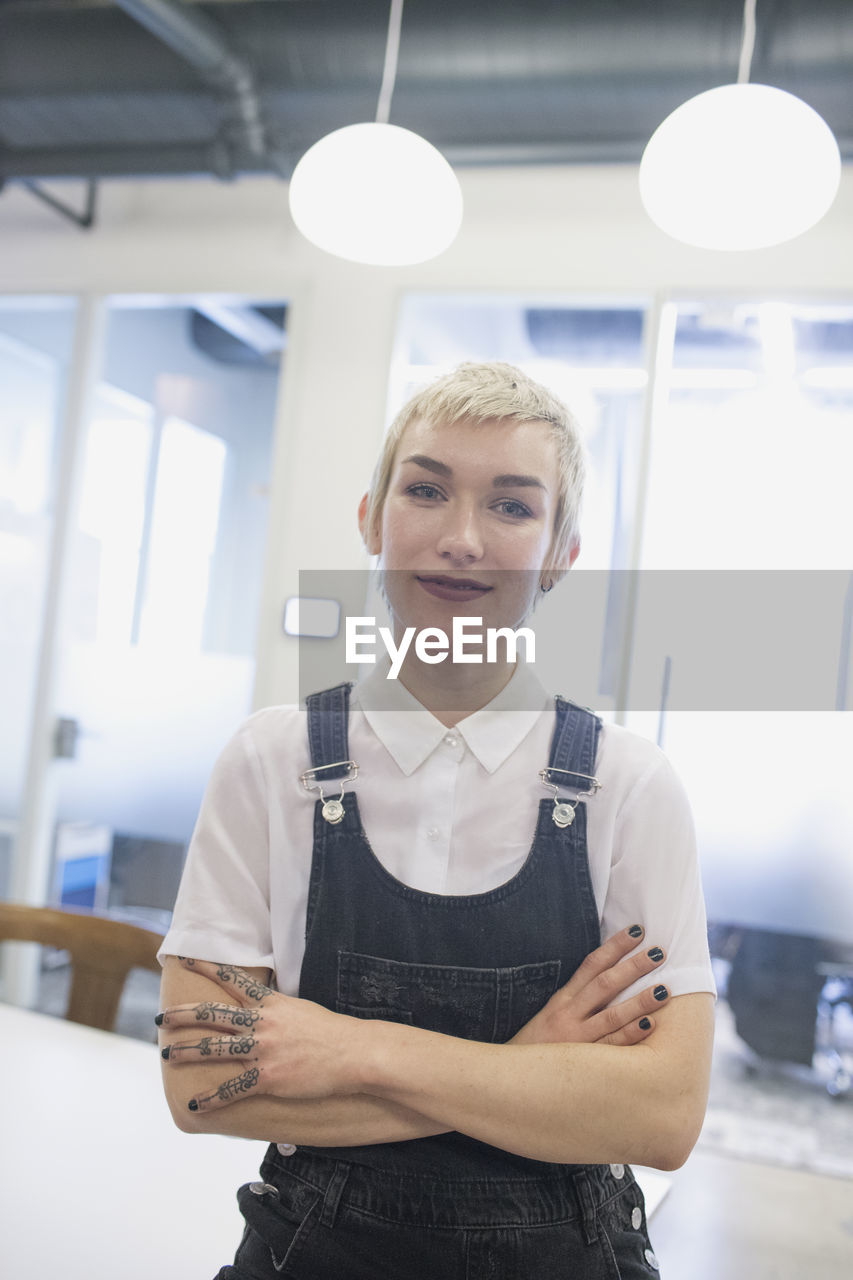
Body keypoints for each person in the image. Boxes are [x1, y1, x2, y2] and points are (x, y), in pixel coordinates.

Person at [157, 361, 716, 1279]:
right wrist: (532, 1069)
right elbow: (203, 1085)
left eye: (511, 506)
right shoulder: (268, 763)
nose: (461, 539)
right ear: (372, 518)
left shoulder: (630, 785)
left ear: (560, 554)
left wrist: (352, 1048)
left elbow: (659, 1118)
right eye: (426, 490)